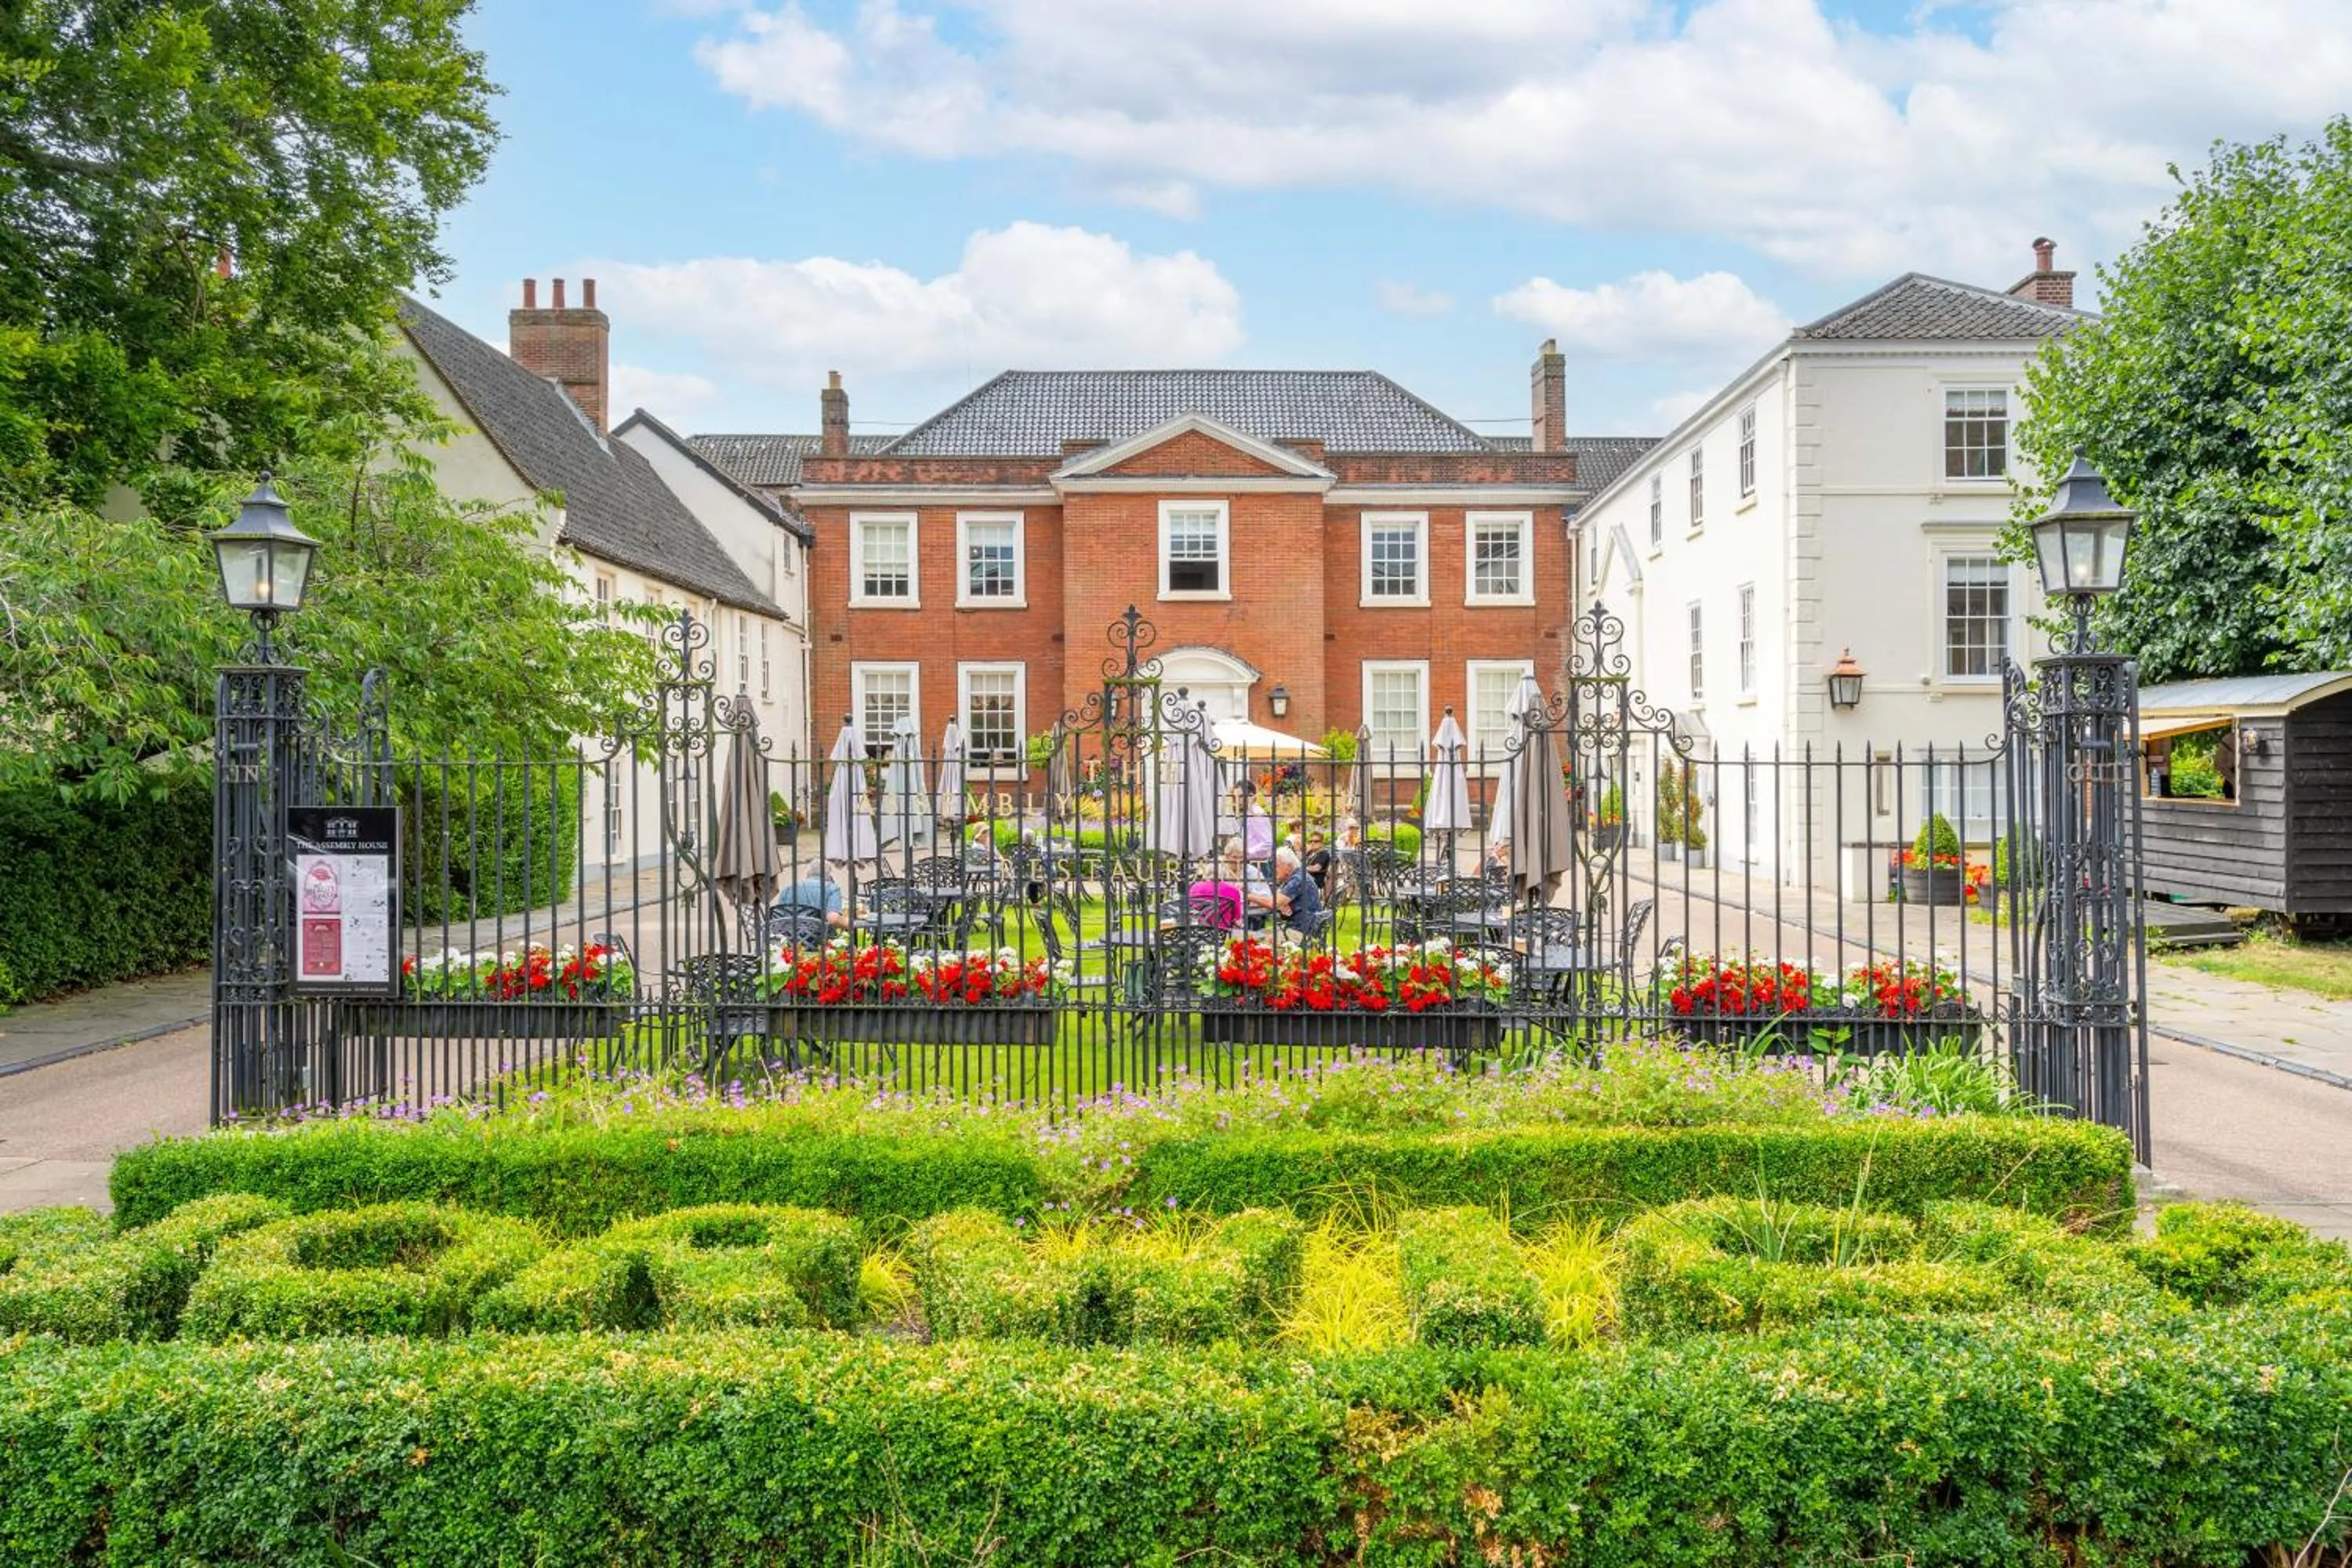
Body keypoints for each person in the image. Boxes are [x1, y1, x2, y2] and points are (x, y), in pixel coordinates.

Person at [1266, 844, 1325, 938]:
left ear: (1288, 866)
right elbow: (1278, 896)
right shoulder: (1298, 875)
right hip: (1306, 928)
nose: (1274, 869)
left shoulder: (1298, 879)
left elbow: (1273, 903)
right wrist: (1282, 903)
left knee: (1262, 939)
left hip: (1301, 933)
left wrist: (1249, 896)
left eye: (1276, 866)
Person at [773, 869, 851, 929]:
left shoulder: (788, 889)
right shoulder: (831, 888)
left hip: (791, 939)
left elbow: (779, 918)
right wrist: (848, 923)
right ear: (829, 877)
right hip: (821, 939)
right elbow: (833, 918)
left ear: (808, 874)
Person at [1236, 780, 1275, 873]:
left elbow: (1268, 842)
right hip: (1253, 863)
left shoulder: (1256, 813)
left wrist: (1247, 853)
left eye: (1241, 796)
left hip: (1258, 865)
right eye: (1236, 797)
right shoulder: (1249, 813)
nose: (1238, 800)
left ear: (1251, 795)